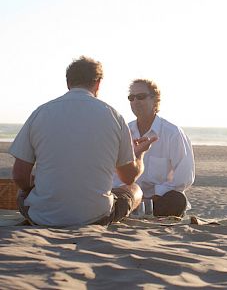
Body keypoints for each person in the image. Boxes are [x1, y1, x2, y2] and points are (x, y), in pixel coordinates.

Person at [9, 56, 157, 227]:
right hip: (97, 217)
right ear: (98, 83)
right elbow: (128, 177)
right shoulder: (113, 116)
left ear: (68, 83)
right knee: (135, 190)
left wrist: (33, 187)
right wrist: (139, 155)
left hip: (42, 218)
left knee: (23, 192)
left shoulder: (40, 113)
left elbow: (19, 175)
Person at [114, 78, 195, 217]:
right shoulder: (123, 131)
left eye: (140, 97)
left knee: (177, 199)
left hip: (161, 201)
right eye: (131, 98)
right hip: (131, 198)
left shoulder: (173, 133)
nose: (135, 102)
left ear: (155, 99)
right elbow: (114, 174)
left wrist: (157, 194)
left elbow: (184, 176)